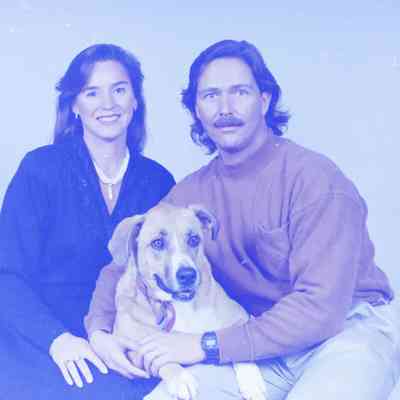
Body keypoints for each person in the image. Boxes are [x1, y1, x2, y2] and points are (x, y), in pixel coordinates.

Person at [85, 40, 400, 399]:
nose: (225, 109)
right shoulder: (190, 195)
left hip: (345, 332)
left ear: (264, 101)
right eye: (211, 96)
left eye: (240, 92)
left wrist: (205, 345)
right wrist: (100, 332)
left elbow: (321, 309)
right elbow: (122, 264)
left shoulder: (316, 181)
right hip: (259, 347)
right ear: (197, 110)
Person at [0, 43, 175, 399]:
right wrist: (58, 340)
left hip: (126, 340)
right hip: (43, 341)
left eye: (119, 90)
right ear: (74, 106)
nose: (107, 104)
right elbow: (7, 275)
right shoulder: (40, 170)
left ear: (135, 100)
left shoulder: (158, 182)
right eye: (92, 92)